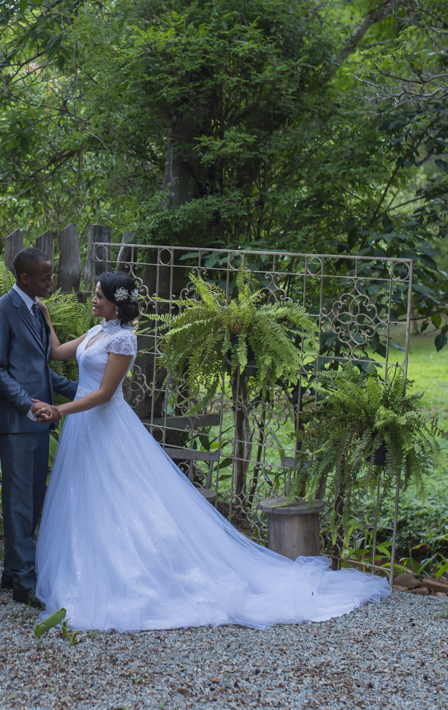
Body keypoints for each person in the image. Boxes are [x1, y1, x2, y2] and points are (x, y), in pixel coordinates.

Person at [31, 270, 391, 631]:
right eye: (94, 295)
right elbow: (58, 352)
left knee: (123, 496)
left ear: (116, 303)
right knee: (87, 496)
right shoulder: (97, 331)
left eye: (98, 296)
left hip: (106, 424)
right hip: (83, 427)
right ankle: (90, 567)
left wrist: (59, 409)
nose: (92, 300)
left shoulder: (124, 339)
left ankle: (135, 576)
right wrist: (46, 317)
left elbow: (104, 394)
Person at [0, 247, 78, 609]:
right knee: (20, 502)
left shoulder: (37, 310)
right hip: (17, 422)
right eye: (45, 277)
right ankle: (24, 581)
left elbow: (39, 370)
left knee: (35, 500)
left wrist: (81, 392)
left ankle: (10, 572)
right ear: (24, 278)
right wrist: (28, 404)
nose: (52, 282)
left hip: (40, 421)